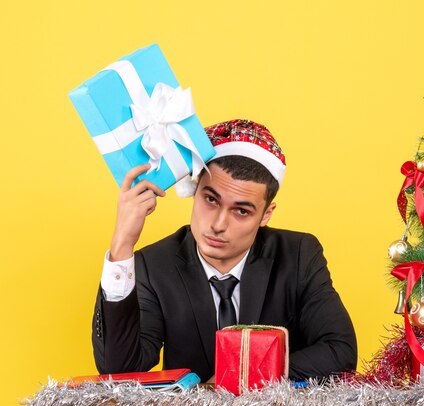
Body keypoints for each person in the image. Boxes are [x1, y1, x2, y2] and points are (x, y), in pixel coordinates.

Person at [92, 119, 357, 382]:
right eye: (210, 200)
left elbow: (340, 350)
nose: (218, 225)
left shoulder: (298, 255)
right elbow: (120, 371)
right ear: (194, 191)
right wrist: (122, 247)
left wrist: (239, 376)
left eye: (242, 211)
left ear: (266, 215)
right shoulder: (152, 265)